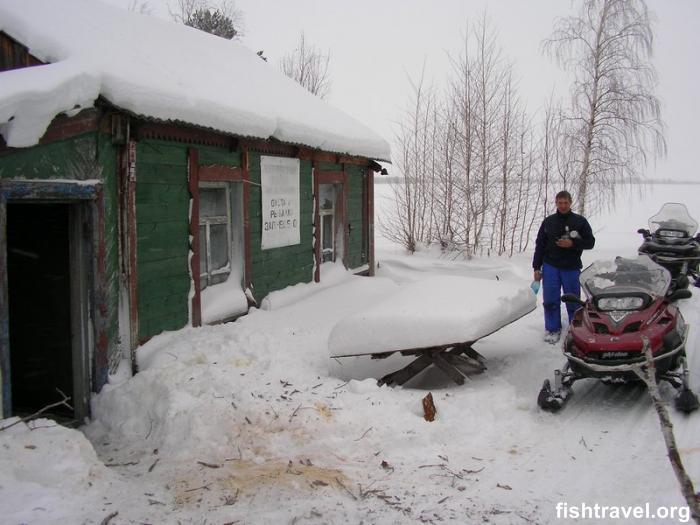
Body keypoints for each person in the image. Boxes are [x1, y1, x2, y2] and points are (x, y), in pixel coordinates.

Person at [533, 191, 595, 343]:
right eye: (560, 203)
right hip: (550, 266)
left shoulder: (580, 222)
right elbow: (540, 245)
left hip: (571, 267)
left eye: (565, 203)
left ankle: (576, 329)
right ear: (556, 203)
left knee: (573, 301)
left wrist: (573, 243)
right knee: (550, 301)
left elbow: (590, 242)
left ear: (570, 202)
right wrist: (536, 267)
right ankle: (552, 329)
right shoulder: (548, 221)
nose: (562, 206)